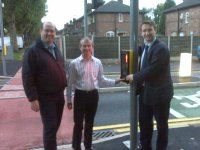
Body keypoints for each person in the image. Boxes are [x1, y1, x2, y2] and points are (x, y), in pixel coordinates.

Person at [67, 37, 122, 150]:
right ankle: (76, 146)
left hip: (93, 96)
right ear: (80, 47)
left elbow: (101, 80)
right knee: (78, 124)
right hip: (80, 96)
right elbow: (70, 83)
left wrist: (115, 81)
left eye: (89, 46)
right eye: (84, 45)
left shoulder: (98, 62)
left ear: (92, 47)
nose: (86, 48)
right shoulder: (74, 63)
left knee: (89, 123)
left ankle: (88, 146)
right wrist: (68, 99)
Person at [126, 20, 174, 150]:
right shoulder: (145, 47)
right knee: (145, 125)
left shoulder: (161, 48)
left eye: (149, 30)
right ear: (141, 33)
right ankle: (145, 147)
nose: (146, 33)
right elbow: (135, 58)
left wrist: (134, 77)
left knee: (161, 127)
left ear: (155, 31)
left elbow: (152, 70)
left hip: (160, 96)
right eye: (144, 30)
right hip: (145, 94)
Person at [22, 21, 67, 150]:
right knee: (50, 129)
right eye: (46, 30)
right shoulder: (32, 51)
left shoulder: (55, 48)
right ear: (40, 31)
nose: (49, 33)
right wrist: (32, 98)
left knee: (54, 127)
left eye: (52, 31)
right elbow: (27, 75)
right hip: (46, 98)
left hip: (59, 96)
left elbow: (60, 67)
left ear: (55, 33)